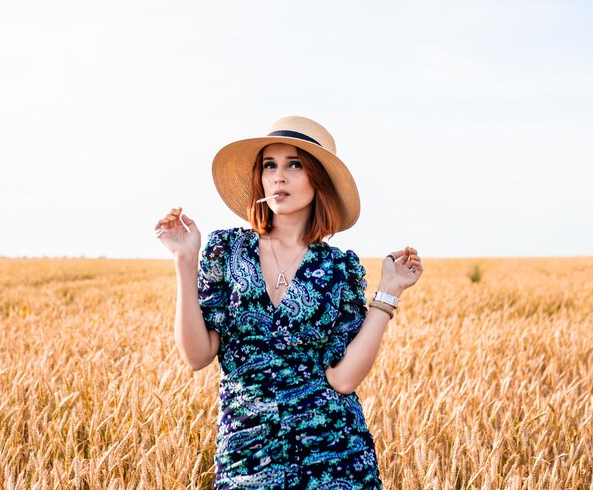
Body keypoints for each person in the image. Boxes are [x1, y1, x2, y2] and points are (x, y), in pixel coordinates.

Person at [155, 116, 423, 489]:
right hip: (246, 455)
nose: (279, 176)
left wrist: (388, 293)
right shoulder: (226, 250)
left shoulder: (340, 268)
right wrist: (184, 260)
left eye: (294, 164)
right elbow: (196, 356)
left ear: (318, 180)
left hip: (333, 459)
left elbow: (342, 379)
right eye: (270, 165)